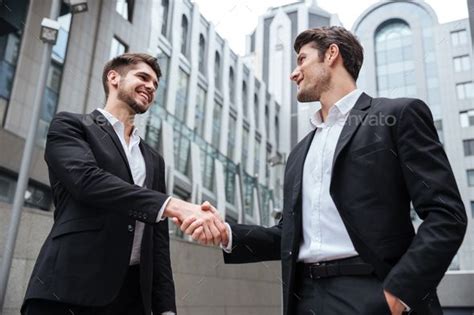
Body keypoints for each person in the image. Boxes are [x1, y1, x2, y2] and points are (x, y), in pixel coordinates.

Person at [180, 26, 467, 315]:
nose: (294, 73)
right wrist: (226, 232)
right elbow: (288, 235)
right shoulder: (298, 153)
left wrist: (397, 296)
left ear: (331, 54)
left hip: (371, 291)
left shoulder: (397, 116)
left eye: (302, 59)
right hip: (304, 297)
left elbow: (446, 214)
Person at [22, 53, 226, 315]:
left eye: (155, 83)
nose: (151, 86)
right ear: (113, 77)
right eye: (143, 77)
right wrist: (174, 205)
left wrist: (166, 308)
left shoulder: (153, 159)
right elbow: (87, 182)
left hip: (131, 298)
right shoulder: (71, 125)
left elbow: (157, 240)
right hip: (67, 289)